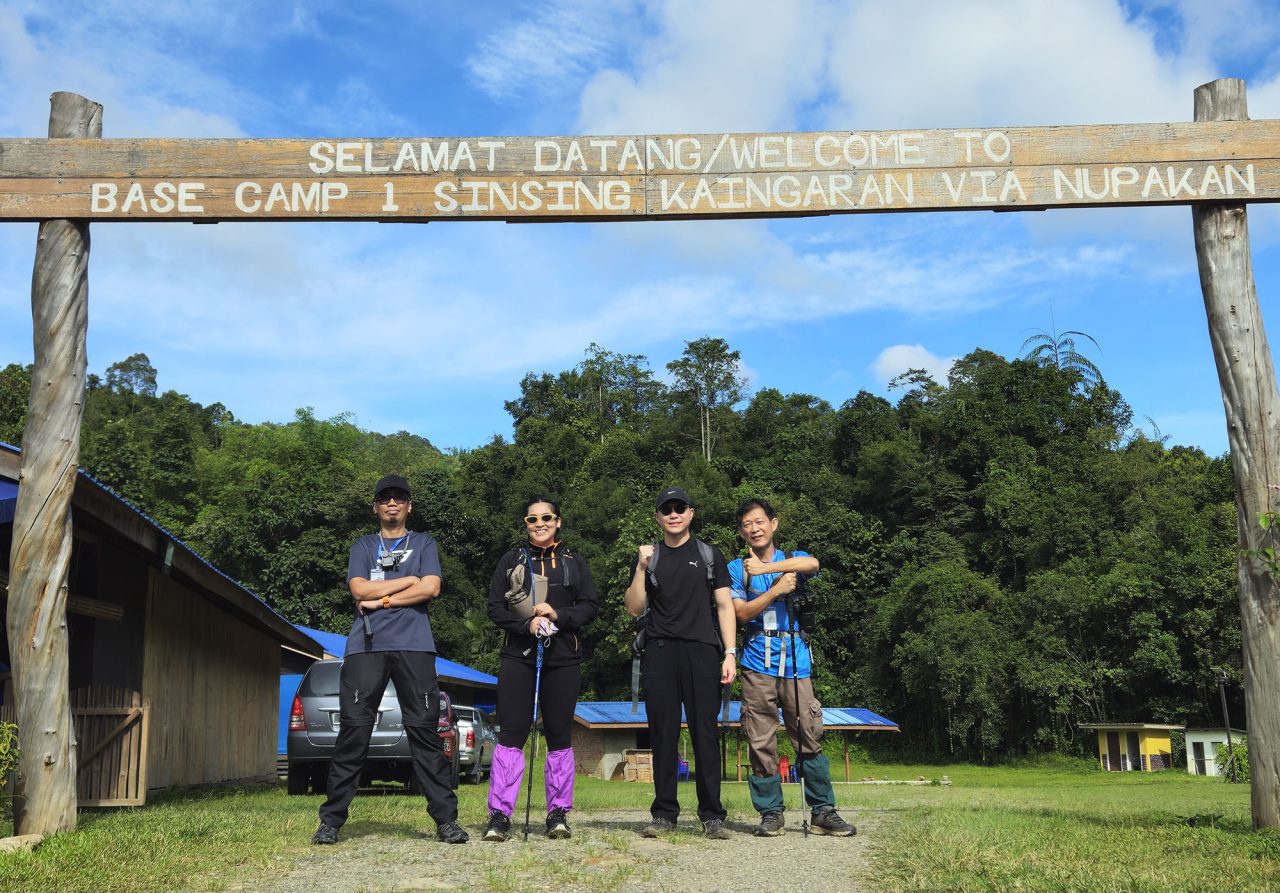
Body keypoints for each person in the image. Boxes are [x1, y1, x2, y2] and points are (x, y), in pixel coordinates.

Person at [311, 475, 468, 845]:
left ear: (409, 506)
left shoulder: (424, 542)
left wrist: (381, 600)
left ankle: (446, 821)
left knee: (424, 732)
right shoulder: (364, 545)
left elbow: (431, 587)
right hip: (365, 648)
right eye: (385, 498)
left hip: (415, 647)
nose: (392, 503)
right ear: (376, 507)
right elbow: (358, 588)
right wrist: (408, 581)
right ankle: (331, 822)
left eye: (399, 498)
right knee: (353, 732)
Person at [727, 497, 855, 837]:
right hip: (757, 661)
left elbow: (813, 563)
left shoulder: (792, 557)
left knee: (809, 734)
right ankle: (771, 812)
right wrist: (775, 590)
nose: (754, 529)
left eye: (759, 522)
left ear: (773, 524)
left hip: (796, 660)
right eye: (747, 525)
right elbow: (740, 614)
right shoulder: (737, 568)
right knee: (760, 738)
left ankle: (823, 810)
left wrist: (769, 571)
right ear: (741, 532)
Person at [482, 498, 599, 842]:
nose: (540, 524)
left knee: (559, 733)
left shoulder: (574, 561)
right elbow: (494, 607)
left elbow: (590, 606)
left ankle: (557, 813)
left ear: (558, 521)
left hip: (563, 658)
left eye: (546, 517)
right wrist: (526, 624)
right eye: (532, 519)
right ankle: (500, 814)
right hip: (519, 656)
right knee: (511, 733)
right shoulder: (511, 559)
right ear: (526, 523)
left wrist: (558, 615)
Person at [625, 487, 737, 840]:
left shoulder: (709, 555)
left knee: (705, 732)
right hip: (659, 651)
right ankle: (664, 814)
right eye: (666, 509)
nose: (673, 514)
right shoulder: (649, 556)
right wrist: (640, 567)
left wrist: (730, 653)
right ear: (657, 517)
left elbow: (725, 606)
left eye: (680, 508)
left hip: (702, 650)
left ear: (691, 513)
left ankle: (712, 816)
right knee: (663, 733)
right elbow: (634, 608)